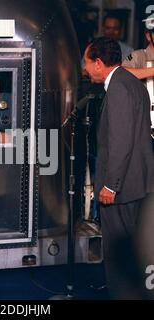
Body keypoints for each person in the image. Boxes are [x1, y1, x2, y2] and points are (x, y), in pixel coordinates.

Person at [83, 37, 154, 299]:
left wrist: (111, 184)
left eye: (88, 63)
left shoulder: (119, 89)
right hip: (138, 182)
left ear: (99, 63)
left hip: (123, 187)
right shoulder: (131, 83)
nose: (86, 69)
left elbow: (121, 142)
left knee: (119, 252)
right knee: (137, 251)